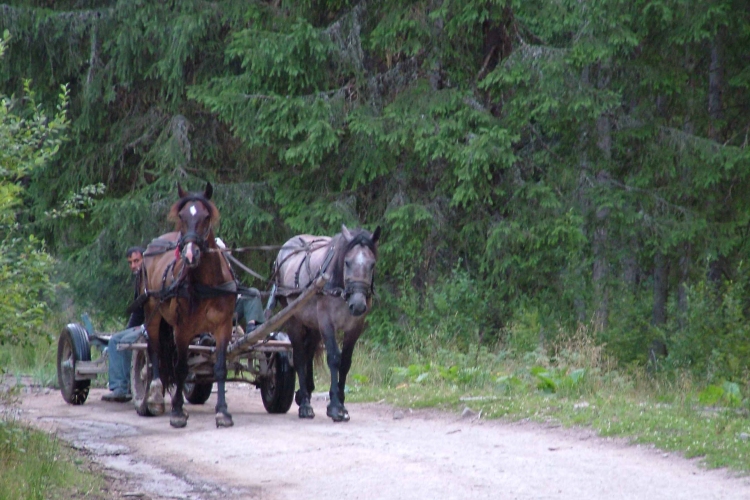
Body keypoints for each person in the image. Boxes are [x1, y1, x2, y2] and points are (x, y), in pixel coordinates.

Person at [101, 246, 145, 403]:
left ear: (144, 259)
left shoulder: (150, 279)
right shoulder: (140, 280)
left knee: (121, 342)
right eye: (130, 263)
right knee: (116, 340)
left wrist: (143, 327)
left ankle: (121, 387)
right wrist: (129, 329)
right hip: (143, 326)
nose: (133, 266)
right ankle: (122, 387)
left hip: (150, 328)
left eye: (136, 261)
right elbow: (138, 311)